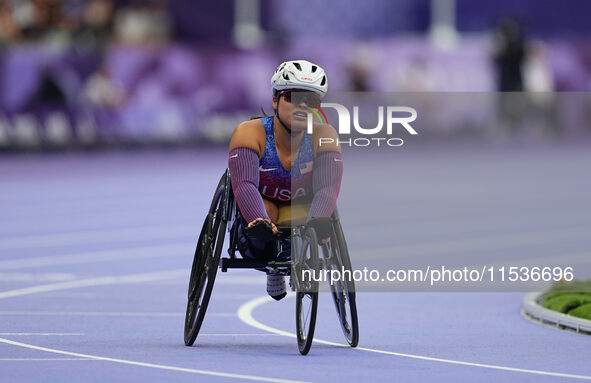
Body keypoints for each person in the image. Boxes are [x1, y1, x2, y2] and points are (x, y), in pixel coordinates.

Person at [228, 60, 342, 300]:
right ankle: (272, 265)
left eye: (311, 101)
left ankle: (298, 254)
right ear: (275, 100)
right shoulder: (249, 132)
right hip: (261, 210)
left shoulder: (325, 135)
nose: (302, 106)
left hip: (301, 212)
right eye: (292, 97)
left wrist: (319, 220)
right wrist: (259, 220)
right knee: (267, 216)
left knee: (311, 213)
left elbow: (327, 188)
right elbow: (244, 185)